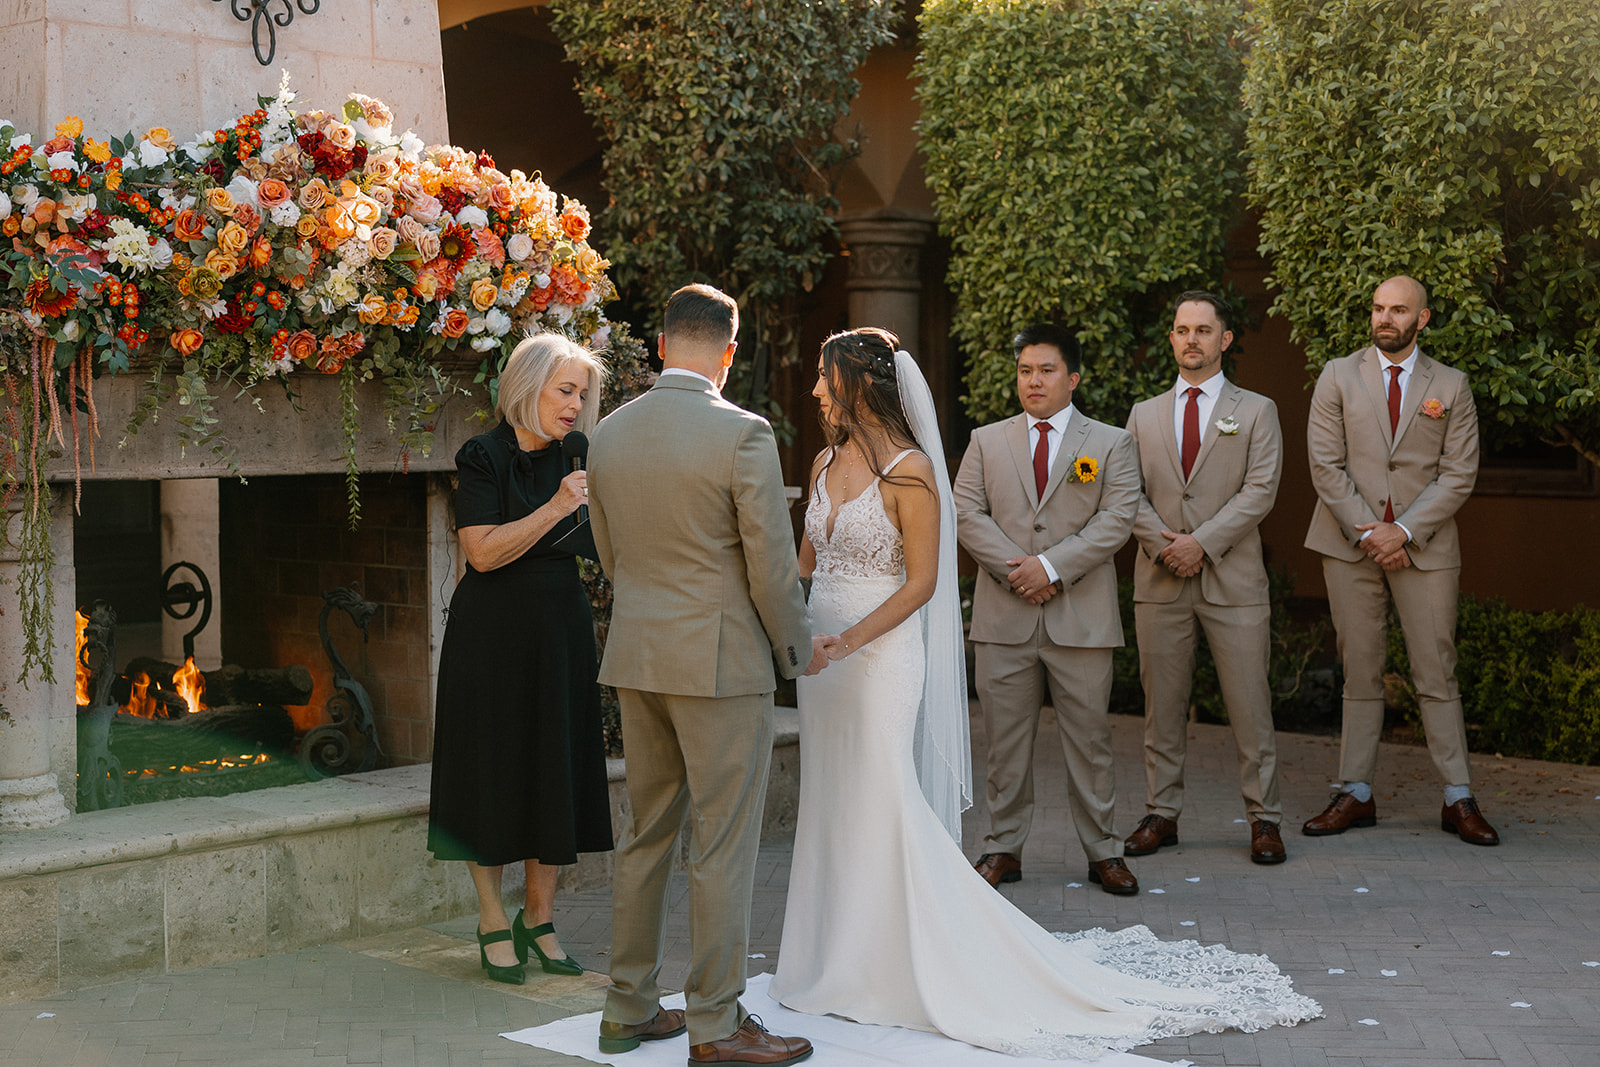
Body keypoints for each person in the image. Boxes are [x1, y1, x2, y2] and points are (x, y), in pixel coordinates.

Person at [772, 327, 1321, 1059]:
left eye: (823, 377)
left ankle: (926, 941)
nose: (814, 390)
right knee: (839, 797)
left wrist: (1044, 567)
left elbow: (942, 573)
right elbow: (814, 558)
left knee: (907, 788)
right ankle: (831, 952)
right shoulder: (838, 458)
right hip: (826, 660)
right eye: (1023, 369)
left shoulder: (930, 468)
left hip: (890, 652)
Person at [588, 283, 826, 1066]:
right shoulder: (743, 433)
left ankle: (627, 1007)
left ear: (660, 345)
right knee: (721, 843)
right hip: (721, 661)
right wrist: (796, 651)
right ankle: (716, 1023)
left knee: (646, 834)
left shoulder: (609, 432)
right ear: (729, 350)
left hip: (637, 653)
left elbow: (611, 555)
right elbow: (768, 568)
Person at [426, 333, 614, 986]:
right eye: (565, 390)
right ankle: (489, 917)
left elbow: (597, 541)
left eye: (581, 393)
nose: (575, 404)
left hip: (560, 629)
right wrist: (557, 507)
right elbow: (481, 552)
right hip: (491, 635)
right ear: (527, 386)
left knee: (552, 769)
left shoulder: (582, 453)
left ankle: (539, 919)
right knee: (493, 772)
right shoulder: (482, 457)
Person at [1302, 275, 1498, 845]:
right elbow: (1324, 465)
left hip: (1426, 548)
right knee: (1359, 669)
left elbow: (1459, 474)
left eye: (1398, 310)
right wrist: (1371, 533)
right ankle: (1354, 792)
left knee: (1436, 670)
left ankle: (1458, 798)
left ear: (1424, 318)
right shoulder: (1338, 375)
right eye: (1378, 309)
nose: (1385, 319)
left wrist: (1405, 532)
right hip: (1349, 543)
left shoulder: (1452, 386)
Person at [953, 323, 1142, 895]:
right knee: (1004, 746)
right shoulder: (987, 440)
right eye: (1025, 371)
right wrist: (1021, 569)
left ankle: (1104, 852)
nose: (1033, 381)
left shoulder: (1110, 443)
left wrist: (1052, 567)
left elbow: (1117, 518)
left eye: (1046, 370)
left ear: (1073, 378)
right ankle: (1002, 848)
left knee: (1090, 745)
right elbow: (965, 512)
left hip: (1080, 619)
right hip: (1003, 619)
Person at [1124, 291, 1287, 865]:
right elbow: (1126, 492)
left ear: (1225, 340)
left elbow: (1261, 490)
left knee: (1250, 705)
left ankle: (1264, 818)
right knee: (1161, 707)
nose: (1190, 339)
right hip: (1161, 578)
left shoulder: (1257, 410)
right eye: (1180, 329)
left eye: (1202, 330)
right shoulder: (1143, 414)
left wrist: (1203, 543)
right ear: (1171, 338)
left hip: (1233, 582)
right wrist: (1165, 546)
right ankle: (1161, 813)